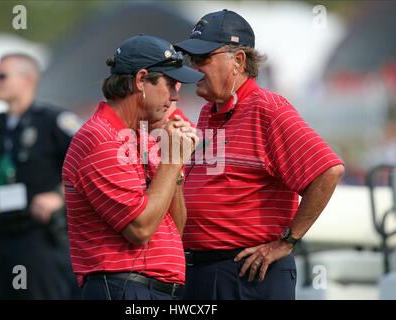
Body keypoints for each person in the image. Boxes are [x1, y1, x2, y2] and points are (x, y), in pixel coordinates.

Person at [174, 9, 345, 300]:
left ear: (238, 61)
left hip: (247, 274)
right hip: (208, 271)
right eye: (191, 59)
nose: (193, 68)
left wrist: (286, 241)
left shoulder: (268, 109)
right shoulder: (208, 112)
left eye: (203, 59)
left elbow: (328, 171)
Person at [62, 34, 202, 300]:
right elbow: (140, 230)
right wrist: (173, 158)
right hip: (123, 287)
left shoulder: (144, 138)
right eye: (170, 84)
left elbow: (176, 228)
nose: (175, 97)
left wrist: (175, 167)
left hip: (147, 289)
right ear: (140, 81)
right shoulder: (100, 139)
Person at [0, 53, 81, 299]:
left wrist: (60, 197)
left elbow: (89, 161)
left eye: (2, 76)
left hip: (40, 238)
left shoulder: (51, 121)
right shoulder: (3, 125)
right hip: (4, 235)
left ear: (27, 79)